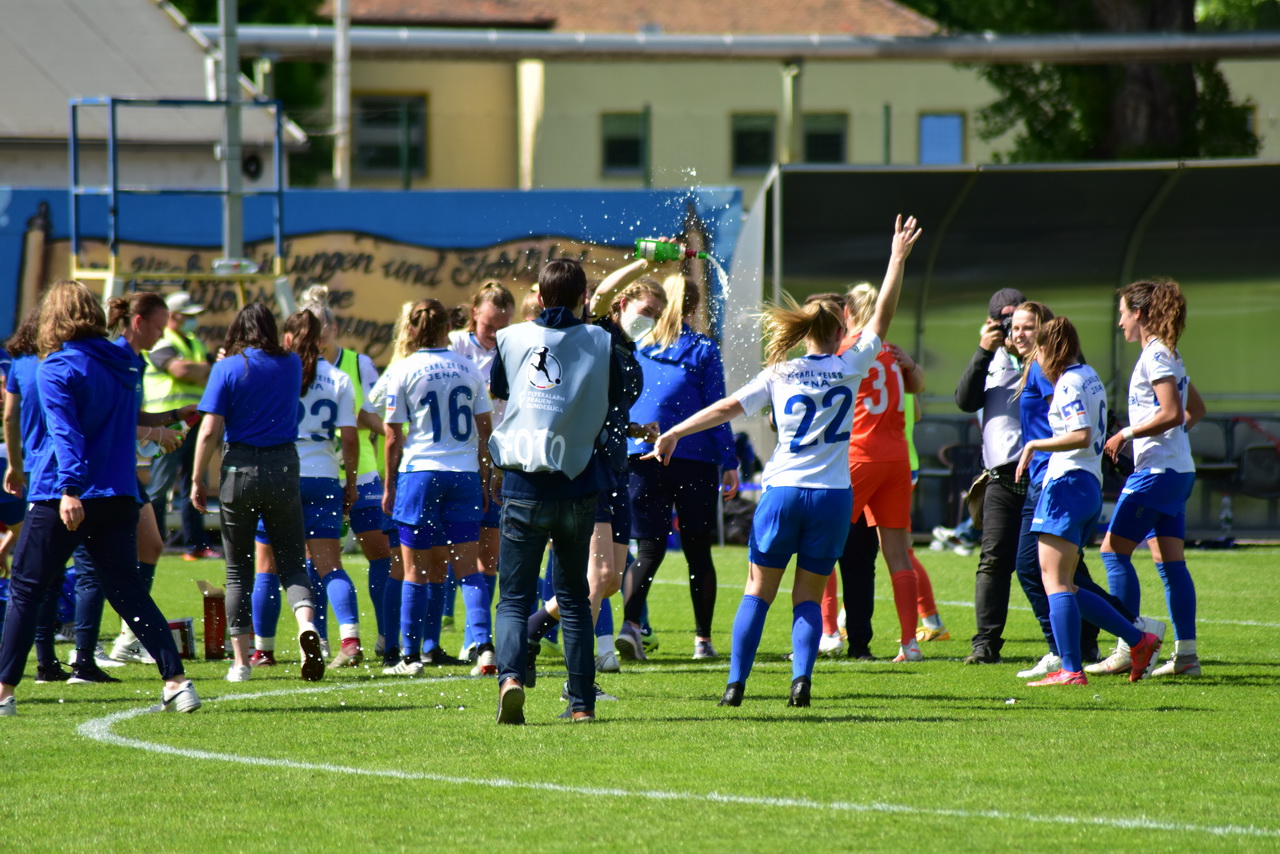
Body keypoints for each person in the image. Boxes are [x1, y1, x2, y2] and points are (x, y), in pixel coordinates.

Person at [647, 215, 921, 708]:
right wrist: (897, 258)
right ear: (841, 332)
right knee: (807, 598)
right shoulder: (851, 364)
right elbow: (882, 315)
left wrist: (674, 432)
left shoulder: (781, 371)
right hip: (834, 498)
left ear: (803, 332)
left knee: (757, 591)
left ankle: (736, 685)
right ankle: (800, 681)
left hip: (783, 494)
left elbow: (726, 407)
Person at [0, 280, 199, 716]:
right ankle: (177, 683)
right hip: (120, 494)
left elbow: (66, 433)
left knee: (26, 589)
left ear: (53, 317)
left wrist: (70, 488)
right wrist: (169, 418)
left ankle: (3, 694)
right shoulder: (125, 363)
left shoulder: (56, 366)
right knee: (128, 591)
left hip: (64, 494)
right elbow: (125, 418)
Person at [490, 258, 618, 724]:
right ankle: (582, 704)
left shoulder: (512, 336)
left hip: (523, 480)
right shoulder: (602, 340)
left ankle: (509, 679)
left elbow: (501, 388)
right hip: (577, 483)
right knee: (573, 599)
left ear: (539, 298)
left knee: (513, 599)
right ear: (584, 298)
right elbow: (620, 396)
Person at [526, 270, 666, 693]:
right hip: (588, 469)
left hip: (617, 468)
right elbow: (601, 291)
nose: (651, 320)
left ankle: (533, 627)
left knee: (606, 582)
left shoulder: (628, 349)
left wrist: (637, 429)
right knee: (598, 574)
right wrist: (644, 261)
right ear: (622, 305)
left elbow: (609, 410)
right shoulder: (598, 331)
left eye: (658, 316)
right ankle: (578, 682)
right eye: (645, 311)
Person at [1013, 317, 1161, 686]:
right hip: (1088, 487)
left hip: (1066, 485)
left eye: (1039, 351)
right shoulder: (1090, 374)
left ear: (1049, 349)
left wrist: (1034, 443)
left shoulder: (1068, 382)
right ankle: (1138, 639)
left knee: (1054, 581)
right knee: (1068, 583)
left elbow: (1079, 435)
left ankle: (1070, 669)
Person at [190, 302, 324, 682]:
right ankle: (304, 627)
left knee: (238, 571)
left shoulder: (226, 367)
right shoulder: (292, 364)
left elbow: (210, 429)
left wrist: (198, 477)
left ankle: (241, 663)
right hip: (284, 465)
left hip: (239, 468)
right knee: (294, 562)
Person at [624, 274, 739, 660]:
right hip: (694, 459)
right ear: (693, 306)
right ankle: (702, 641)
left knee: (648, 549)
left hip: (642, 455)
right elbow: (717, 408)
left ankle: (630, 628)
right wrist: (730, 461)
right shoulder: (703, 348)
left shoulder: (637, 343)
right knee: (697, 551)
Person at [244, 309, 364, 680]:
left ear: (289, 339)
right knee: (330, 565)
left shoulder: (276, 373)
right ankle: (350, 640)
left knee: (267, 565)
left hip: (281, 474)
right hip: (324, 476)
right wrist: (352, 481)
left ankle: (262, 650)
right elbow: (349, 436)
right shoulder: (339, 378)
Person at [818, 283, 934, 663]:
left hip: (859, 458)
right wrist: (911, 365)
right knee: (898, 554)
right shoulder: (891, 352)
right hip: (898, 458)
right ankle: (909, 643)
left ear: (848, 312)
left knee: (825, 544)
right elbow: (918, 388)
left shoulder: (849, 349)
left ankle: (828, 631)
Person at [1097, 279, 1206, 677]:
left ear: (1139, 313)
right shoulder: (1169, 353)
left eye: (1123, 313)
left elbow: (1174, 412)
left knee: (1112, 552)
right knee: (1170, 563)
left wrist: (1126, 434)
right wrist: (1171, 442)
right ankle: (1187, 657)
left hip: (1157, 474)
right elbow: (1195, 409)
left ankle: (1129, 644)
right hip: (1177, 471)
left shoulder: (1156, 355)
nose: (1120, 322)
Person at [381, 299, 493, 675]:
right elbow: (484, 432)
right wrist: (484, 478)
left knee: (415, 570)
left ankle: (410, 657)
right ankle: (484, 648)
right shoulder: (468, 367)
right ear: (448, 327)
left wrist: (389, 485)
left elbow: (393, 436)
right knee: (468, 569)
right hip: (462, 474)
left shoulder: (404, 369)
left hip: (420, 473)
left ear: (411, 329)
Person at [291, 285, 400, 665]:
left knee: (379, 553)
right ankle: (319, 639)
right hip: (322, 476)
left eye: (323, 331)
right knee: (315, 559)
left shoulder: (358, 364)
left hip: (361, 475)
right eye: (311, 332)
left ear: (334, 329)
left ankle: (388, 638)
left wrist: (388, 431)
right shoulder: (293, 366)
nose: (318, 339)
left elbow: (370, 415)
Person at [954, 288, 1029, 665]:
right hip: (1000, 475)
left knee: (1058, 562)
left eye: (1018, 321)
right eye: (1005, 320)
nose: (1012, 329)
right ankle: (985, 645)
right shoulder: (990, 357)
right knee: (994, 561)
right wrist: (984, 351)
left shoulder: (1047, 350)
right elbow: (965, 400)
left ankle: (1081, 642)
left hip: (1042, 473)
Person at [448, 282, 515, 668]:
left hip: (499, 458)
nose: (494, 334)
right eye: (490, 326)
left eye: (501, 327)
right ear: (474, 312)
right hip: (461, 461)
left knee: (489, 557)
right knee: (452, 555)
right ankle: (466, 637)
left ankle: (479, 637)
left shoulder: (512, 345)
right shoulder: (456, 345)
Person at [1, 306, 68, 684]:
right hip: (73, 476)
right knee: (91, 574)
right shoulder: (63, 361)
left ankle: (44, 661)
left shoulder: (19, 365)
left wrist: (15, 463)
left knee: (36, 579)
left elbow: (10, 417)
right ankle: (77, 656)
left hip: (37, 475)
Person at [143, 292, 217, 560]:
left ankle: (196, 545)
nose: (194, 321)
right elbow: (181, 371)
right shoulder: (162, 341)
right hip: (166, 423)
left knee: (195, 483)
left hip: (195, 420)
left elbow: (209, 370)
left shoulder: (193, 343)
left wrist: (200, 369)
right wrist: (204, 369)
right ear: (173, 316)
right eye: (189, 316)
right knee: (161, 485)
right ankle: (153, 541)